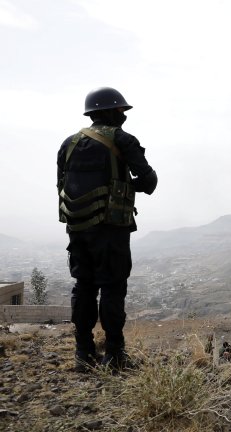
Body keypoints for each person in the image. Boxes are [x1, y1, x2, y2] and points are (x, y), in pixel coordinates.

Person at [59, 87, 158, 372]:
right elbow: (149, 182)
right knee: (113, 288)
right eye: (120, 110)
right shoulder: (123, 140)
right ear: (111, 112)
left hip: (77, 229)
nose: (123, 115)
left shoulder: (69, 143)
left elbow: (61, 183)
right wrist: (127, 185)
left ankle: (83, 352)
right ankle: (114, 354)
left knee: (84, 286)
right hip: (111, 229)